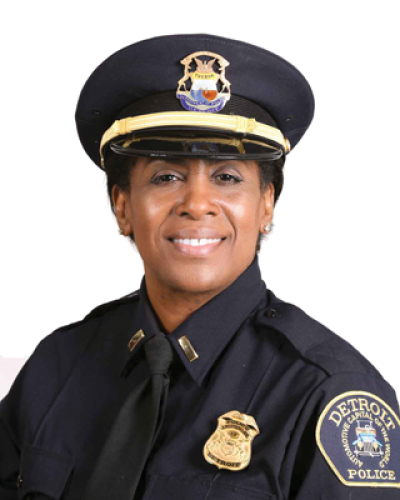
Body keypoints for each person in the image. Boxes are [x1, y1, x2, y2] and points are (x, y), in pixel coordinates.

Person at [0, 33, 399, 500]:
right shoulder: (56, 366)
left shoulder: (328, 393)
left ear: (266, 205)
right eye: (166, 176)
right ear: (122, 206)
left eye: (227, 177)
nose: (197, 203)